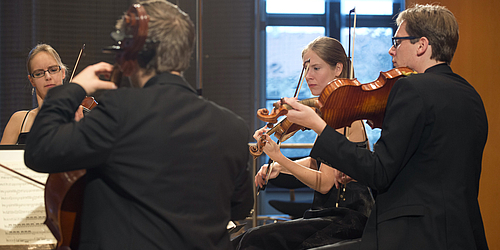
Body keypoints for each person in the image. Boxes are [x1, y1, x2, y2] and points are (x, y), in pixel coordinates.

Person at [24, 1, 253, 249]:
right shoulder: (234, 127)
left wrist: (75, 88)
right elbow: (239, 207)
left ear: (132, 55)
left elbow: (39, 151)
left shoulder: (118, 112)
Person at [279, 4, 488, 250]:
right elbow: (429, 166)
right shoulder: (471, 95)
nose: (391, 50)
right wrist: (355, 170)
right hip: (463, 234)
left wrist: (318, 125)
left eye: (397, 42)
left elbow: (380, 172)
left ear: (421, 45)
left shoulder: (411, 88)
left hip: (411, 235)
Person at [232, 37, 374, 250]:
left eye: (316, 68)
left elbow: (325, 183)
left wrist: (279, 157)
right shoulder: (330, 114)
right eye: (306, 69)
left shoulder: (344, 117)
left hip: (347, 219)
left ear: (338, 69)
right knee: (247, 239)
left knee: (255, 239)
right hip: (329, 215)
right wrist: (281, 167)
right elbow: (320, 162)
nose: (308, 76)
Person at [0, 44, 83, 145]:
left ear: (63, 73)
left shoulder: (82, 116)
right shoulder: (18, 121)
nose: (48, 77)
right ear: (32, 81)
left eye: (53, 70)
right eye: (39, 73)